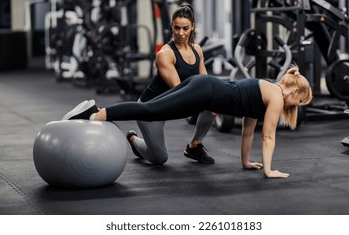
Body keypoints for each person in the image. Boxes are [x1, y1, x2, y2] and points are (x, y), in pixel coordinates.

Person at [62, 65, 312, 178]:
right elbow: (268, 136)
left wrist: (246, 163)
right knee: (150, 110)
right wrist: (269, 171)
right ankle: (94, 113)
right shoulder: (277, 97)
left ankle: (96, 113)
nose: (298, 107)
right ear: (295, 93)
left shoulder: (266, 92)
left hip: (204, 85)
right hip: (205, 92)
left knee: (150, 109)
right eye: (301, 101)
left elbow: (249, 132)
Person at [65, 4, 216, 165]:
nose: (180, 33)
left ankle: (195, 145)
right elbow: (179, 92)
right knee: (159, 159)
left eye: (185, 28)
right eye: (176, 28)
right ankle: (133, 139)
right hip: (150, 111)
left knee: (213, 104)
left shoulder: (197, 50)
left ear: (192, 26)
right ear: (171, 25)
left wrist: (215, 100)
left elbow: (204, 83)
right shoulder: (165, 54)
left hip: (171, 106)